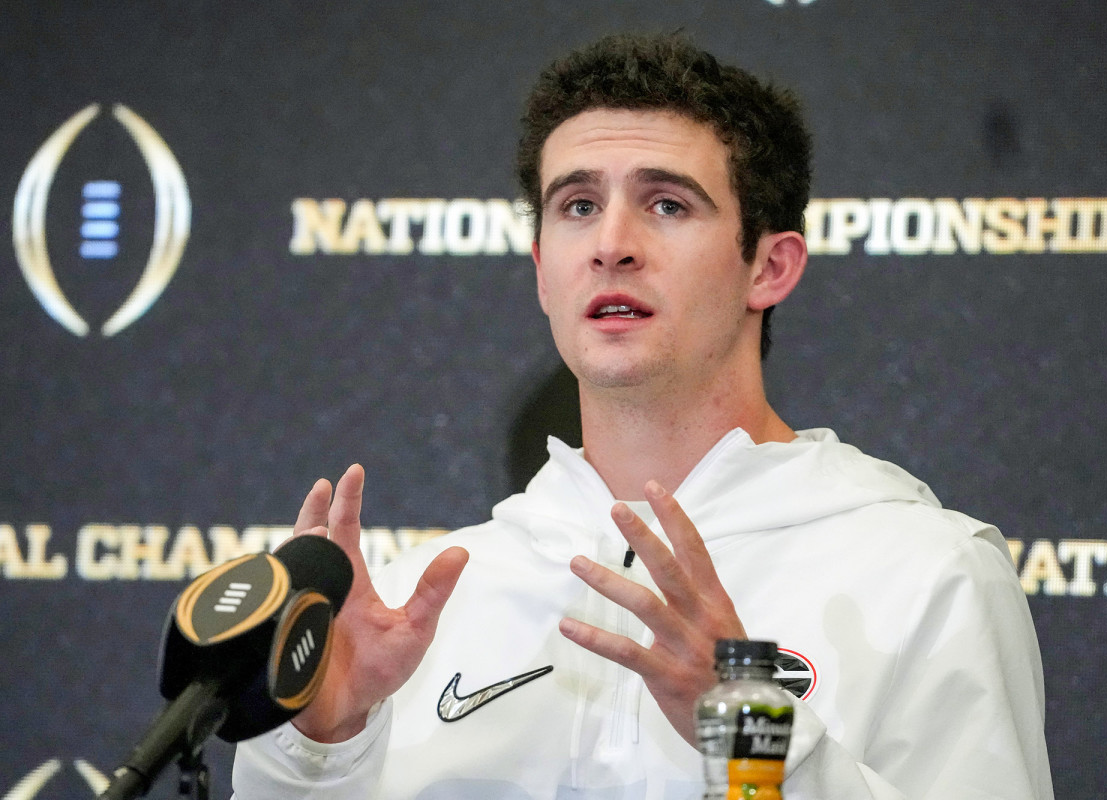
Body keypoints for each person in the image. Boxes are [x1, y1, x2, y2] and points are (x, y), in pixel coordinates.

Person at [233, 33, 1054, 799]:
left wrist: (749, 733)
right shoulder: (420, 603)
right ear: (543, 272)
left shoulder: (926, 572)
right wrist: (320, 747)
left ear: (770, 267)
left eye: (666, 204)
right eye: (577, 206)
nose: (612, 244)